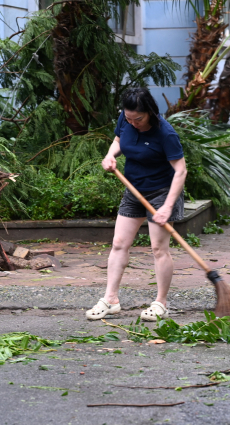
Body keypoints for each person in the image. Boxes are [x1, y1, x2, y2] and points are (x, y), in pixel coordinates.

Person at [86, 87, 187, 322]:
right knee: (119, 243)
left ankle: (161, 303)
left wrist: (167, 206)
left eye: (138, 119)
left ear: (150, 112)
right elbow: (118, 139)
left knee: (158, 248)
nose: (132, 123)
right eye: (128, 118)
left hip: (162, 192)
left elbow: (180, 171)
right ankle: (110, 299)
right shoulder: (127, 119)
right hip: (133, 189)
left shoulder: (166, 134)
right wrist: (111, 155)